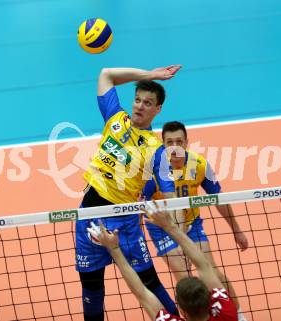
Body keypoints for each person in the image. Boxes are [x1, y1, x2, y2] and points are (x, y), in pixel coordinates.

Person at [76, 65, 182, 321]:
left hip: (126, 223)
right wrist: (151, 75)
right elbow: (105, 74)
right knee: (91, 286)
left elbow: (170, 194)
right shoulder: (115, 118)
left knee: (148, 282)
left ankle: (176, 318)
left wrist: (173, 223)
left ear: (157, 110)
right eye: (137, 100)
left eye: (148, 103)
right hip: (89, 216)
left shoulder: (156, 150)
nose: (139, 106)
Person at [141, 121, 249, 320]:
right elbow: (139, 208)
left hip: (192, 225)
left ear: (187, 143)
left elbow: (218, 199)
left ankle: (239, 316)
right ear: (162, 144)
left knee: (213, 272)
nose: (174, 147)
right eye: (169, 142)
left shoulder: (199, 165)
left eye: (179, 142)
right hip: (162, 230)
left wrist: (237, 230)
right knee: (184, 280)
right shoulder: (152, 174)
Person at [88, 201, 238, 321]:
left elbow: (142, 293)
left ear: (183, 311)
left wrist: (114, 249)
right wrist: (170, 226)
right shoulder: (227, 312)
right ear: (209, 299)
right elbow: (203, 265)